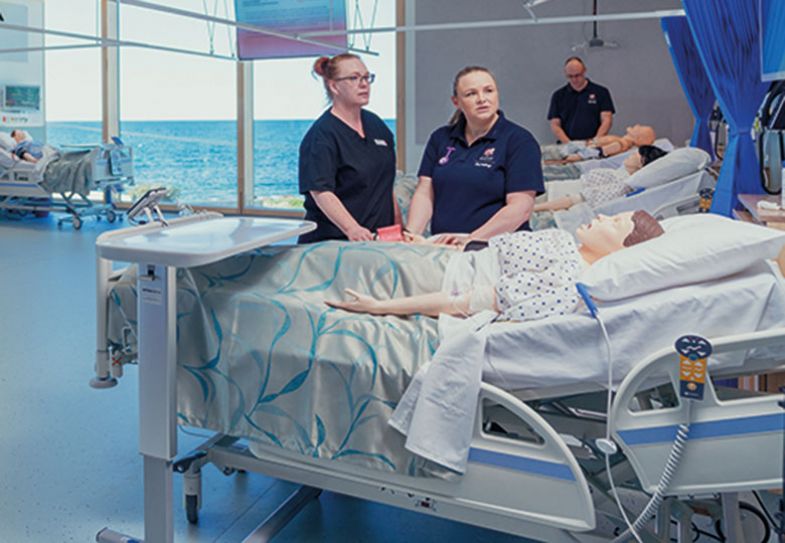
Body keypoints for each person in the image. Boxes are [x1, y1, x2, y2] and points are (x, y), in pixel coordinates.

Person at [326, 210, 664, 321]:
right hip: (443, 255)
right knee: (331, 254)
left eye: (615, 222)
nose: (601, 216)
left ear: (621, 250)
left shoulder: (567, 280)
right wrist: (438, 240)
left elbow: (463, 302)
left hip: (435, 277)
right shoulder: (566, 242)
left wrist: (381, 307)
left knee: (328, 267)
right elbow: (492, 247)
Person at [406, 66, 544, 247]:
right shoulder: (440, 138)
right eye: (471, 94)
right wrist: (411, 235)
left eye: (489, 91)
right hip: (446, 247)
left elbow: (521, 208)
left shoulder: (519, 141)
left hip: (496, 246)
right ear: (456, 102)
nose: (482, 99)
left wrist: (472, 239)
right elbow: (425, 192)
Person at [298, 53, 400, 243]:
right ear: (334, 86)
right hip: (335, 242)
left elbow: (386, 185)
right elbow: (321, 192)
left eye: (366, 77)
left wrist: (397, 228)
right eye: (354, 78)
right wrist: (352, 229)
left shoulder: (377, 125)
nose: (364, 84)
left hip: (378, 241)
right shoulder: (322, 135)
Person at [535, 145, 668, 212]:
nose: (632, 154)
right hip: (552, 189)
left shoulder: (622, 185)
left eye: (637, 154)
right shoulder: (618, 174)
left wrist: (535, 208)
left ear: (642, 162)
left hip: (552, 198)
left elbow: (576, 199)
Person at [548, 57, 615, 144]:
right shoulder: (558, 95)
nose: (574, 79)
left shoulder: (601, 92)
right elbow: (555, 124)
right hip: (567, 144)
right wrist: (569, 144)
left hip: (594, 142)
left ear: (584, 71)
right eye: (570, 76)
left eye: (577, 75)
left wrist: (595, 141)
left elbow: (606, 120)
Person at [543, 124, 657, 164]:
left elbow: (596, 152)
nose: (637, 125)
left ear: (638, 137)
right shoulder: (620, 141)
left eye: (640, 127)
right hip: (577, 147)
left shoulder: (620, 144)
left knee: (541, 153)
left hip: (574, 150)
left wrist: (573, 157)